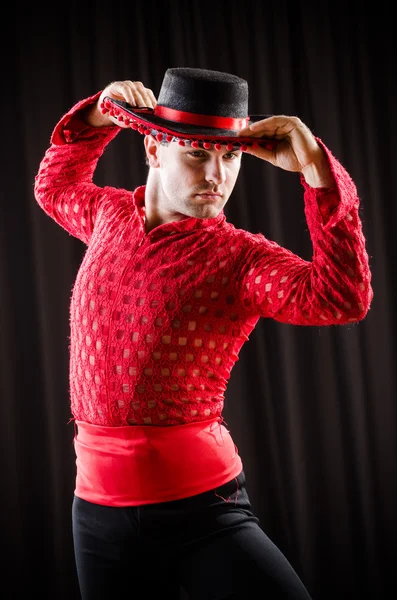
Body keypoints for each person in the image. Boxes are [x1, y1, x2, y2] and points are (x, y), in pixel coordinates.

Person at [34, 67, 373, 600]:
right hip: (96, 516)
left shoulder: (239, 258)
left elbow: (341, 297)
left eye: (231, 155)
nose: (217, 174)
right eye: (197, 153)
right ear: (153, 151)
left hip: (203, 514)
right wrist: (100, 113)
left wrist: (315, 172)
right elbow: (53, 185)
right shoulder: (106, 216)